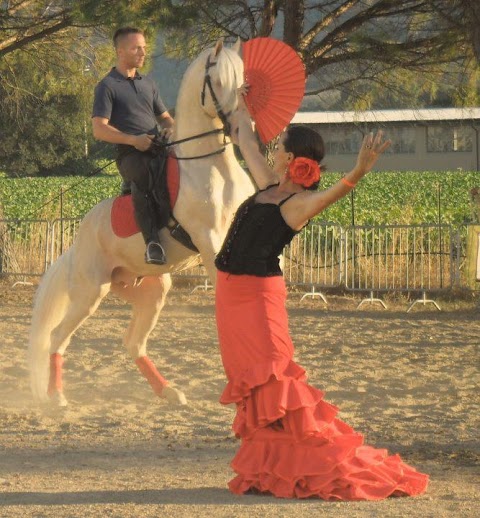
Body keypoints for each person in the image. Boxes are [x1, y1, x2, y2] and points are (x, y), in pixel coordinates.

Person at [213, 84, 429, 499]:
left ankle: (307, 463)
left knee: (275, 375)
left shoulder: (299, 203)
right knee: (252, 384)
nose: (272, 149)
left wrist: (359, 171)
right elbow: (244, 139)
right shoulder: (266, 187)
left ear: (292, 158)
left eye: (279, 146)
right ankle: (266, 471)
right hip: (230, 297)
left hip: (259, 299)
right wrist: (243, 106)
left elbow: (335, 194)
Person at [92, 27, 175, 266]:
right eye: (136, 48)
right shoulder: (107, 86)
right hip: (130, 154)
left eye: (144, 48)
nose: (142, 52)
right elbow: (99, 129)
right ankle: (153, 244)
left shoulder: (148, 83)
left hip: (158, 147)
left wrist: (170, 127)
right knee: (144, 176)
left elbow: (166, 118)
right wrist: (133, 140)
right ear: (120, 51)